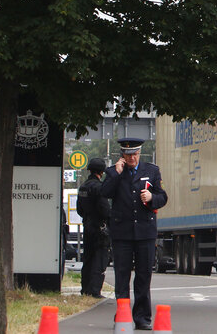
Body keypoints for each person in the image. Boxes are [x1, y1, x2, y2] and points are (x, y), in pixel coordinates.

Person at [101, 137, 168, 330]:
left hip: (145, 232)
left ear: (140, 154)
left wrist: (152, 198)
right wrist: (116, 173)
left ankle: (142, 317)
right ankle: (122, 314)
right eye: (128, 155)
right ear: (122, 155)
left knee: (143, 276)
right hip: (122, 233)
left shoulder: (151, 171)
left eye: (135, 154)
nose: (132, 158)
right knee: (122, 276)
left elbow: (162, 197)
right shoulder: (114, 172)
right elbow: (105, 192)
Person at [77, 157, 111, 297]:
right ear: (101, 172)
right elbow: (105, 210)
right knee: (100, 258)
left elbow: (79, 209)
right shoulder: (99, 187)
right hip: (99, 228)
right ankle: (95, 290)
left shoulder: (83, 187)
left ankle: (85, 289)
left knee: (88, 258)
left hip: (87, 225)